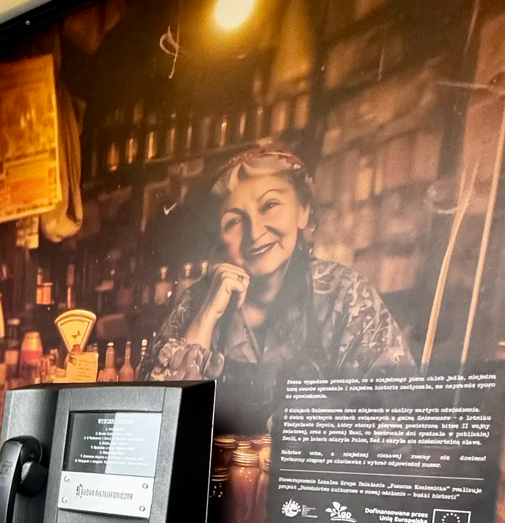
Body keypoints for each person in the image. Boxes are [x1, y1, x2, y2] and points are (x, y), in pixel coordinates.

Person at [144, 148, 413, 426]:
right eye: (234, 221)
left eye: (270, 205)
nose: (255, 232)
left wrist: (316, 419)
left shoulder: (345, 295)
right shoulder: (198, 299)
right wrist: (205, 318)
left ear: (303, 211)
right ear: (219, 238)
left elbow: (401, 414)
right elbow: (157, 421)